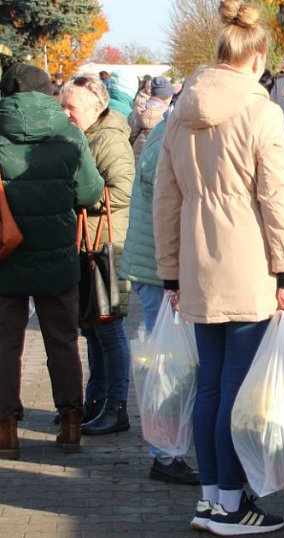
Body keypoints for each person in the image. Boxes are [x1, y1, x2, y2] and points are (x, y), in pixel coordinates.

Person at [154, 1, 284, 534]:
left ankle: (211, 500)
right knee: (238, 390)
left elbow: (164, 201)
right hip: (248, 265)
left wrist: (170, 272)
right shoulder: (262, 112)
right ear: (258, 55)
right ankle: (233, 506)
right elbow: (276, 197)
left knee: (212, 385)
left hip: (196, 265)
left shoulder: (178, 112)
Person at [0, 63, 104, 459]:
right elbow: (91, 192)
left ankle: (6, 429)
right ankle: (71, 422)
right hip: (58, 253)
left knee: (5, 343)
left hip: (4, 254)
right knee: (62, 340)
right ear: (48, 93)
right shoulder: (70, 135)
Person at [120, 111, 200, 485]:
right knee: (170, 366)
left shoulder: (168, 133)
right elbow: (173, 212)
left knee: (173, 364)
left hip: (158, 270)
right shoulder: (170, 142)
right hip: (159, 274)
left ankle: (168, 451)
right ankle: (164, 455)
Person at [59, 75, 136, 435]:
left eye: (70, 106)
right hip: (88, 244)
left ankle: (116, 406)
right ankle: (96, 400)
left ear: (95, 107)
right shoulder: (85, 135)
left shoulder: (109, 141)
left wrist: (83, 196)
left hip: (106, 247)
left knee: (109, 327)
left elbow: (123, 191)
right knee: (92, 328)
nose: (65, 112)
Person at [128, 76, 174, 163]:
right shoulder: (169, 116)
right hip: (157, 161)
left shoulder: (137, 110)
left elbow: (130, 135)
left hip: (134, 158)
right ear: (168, 97)